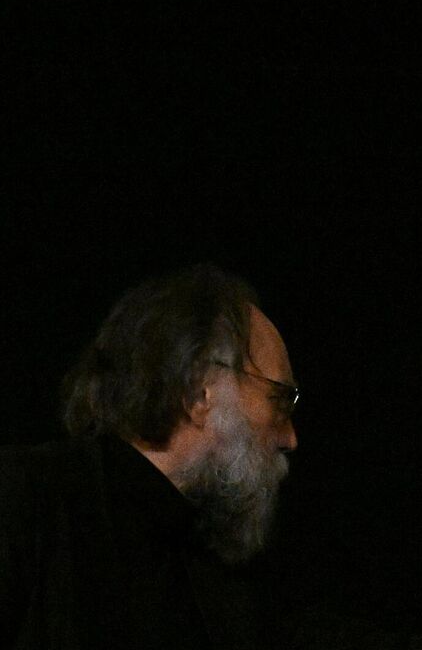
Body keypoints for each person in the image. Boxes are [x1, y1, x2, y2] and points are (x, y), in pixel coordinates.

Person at [1, 264, 298, 648]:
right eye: (281, 399)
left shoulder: (225, 568)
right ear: (199, 393)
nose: (291, 438)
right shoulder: (22, 499)